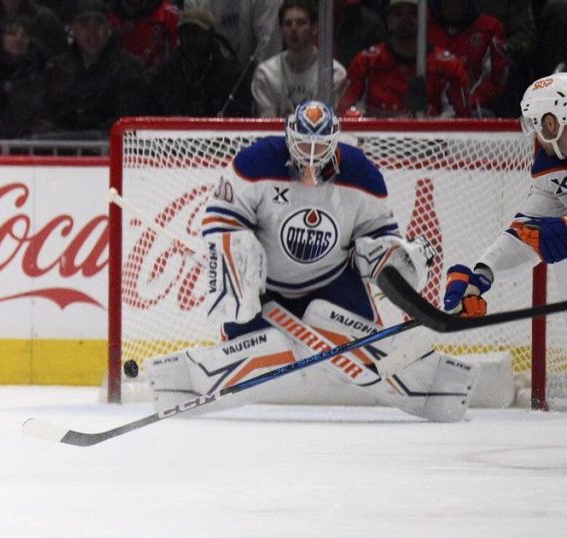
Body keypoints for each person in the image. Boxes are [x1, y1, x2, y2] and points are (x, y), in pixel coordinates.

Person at [145, 101, 474, 422]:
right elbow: (221, 216)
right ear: (290, 137)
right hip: (264, 288)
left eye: (319, 147)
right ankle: (196, 376)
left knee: (365, 348)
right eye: (304, 145)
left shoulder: (362, 174)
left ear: (335, 142)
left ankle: (427, 382)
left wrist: (393, 258)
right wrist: (232, 256)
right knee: (253, 328)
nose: (311, 156)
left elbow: (380, 234)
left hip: (333, 283)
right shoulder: (256, 162)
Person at [443, 73, 567, 319]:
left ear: (551, 123)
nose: (536, 136)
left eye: (536, 126)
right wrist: (481, 276)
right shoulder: (552, 167)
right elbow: (525, 233)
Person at [338, 0, 470, 118]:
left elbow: (462, 118)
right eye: (398, 13)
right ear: (388, 20)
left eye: (413, 13)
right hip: (374, 137)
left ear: (425, 19)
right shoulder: (365, 62)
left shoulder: (449, 66)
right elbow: (345, 112)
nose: (405, 18)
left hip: (431, 138)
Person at [42, 0, 148, 135]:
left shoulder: (130, 69)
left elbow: (128, 119)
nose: (92, 32)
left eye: (99, 24)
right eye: (85, 25)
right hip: (62, 145)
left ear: (109, 28)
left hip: (111, 144)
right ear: (73, 29)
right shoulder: (56, 68)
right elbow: (46, 115)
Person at [252, 0, 347, 118]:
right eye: (288, 24)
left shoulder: (335, 74)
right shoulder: (265, 74)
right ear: (280, 30)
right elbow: (267, 123)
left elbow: (333, 122)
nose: (293, 29)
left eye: (301, 23)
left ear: (314, 28)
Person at [148, 7, 248, 117]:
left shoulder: (229, 73)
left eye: (195, 33)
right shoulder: (167, 71)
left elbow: (239, 113)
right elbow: (153, 108)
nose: (190, 39)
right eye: (185, 33)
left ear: (210, 34)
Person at [427, 0, 508, 117]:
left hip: (473, 107)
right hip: (428, 108)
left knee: (484, 115)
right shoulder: (424, 26)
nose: (453, 7)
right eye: (448, 2)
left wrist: (466, 103)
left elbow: (496, 78)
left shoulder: (489, 28)